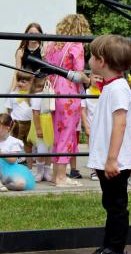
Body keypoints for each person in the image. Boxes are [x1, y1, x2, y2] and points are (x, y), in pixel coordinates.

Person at [76, 35, 131, 254]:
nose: (89, 60)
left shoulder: (119, 89)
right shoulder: (111, 87)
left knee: (116, 206)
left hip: (114, 162)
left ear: (101, 61)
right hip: (106, 160)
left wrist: (112, 159)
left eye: (91, 56)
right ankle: (107, 247)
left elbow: (120, 123)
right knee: (110, 203)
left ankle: (116, 252)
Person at [44, 14, 92, 187]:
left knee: (58, 135)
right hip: (68, 92)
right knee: (67, 134)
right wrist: (89, 80)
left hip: (53, 91)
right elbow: (79, 73)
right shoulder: (76, 45)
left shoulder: (52, 45)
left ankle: (56, 175)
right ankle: (61, 177)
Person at [27, 74, 55, 182]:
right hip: (41, 123)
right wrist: (38, 129)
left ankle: (47, 172)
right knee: (42, 150)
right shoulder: (37, 96)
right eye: (41, 86)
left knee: (49, 150)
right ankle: (39, 172)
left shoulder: (49, 93)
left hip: (50, 123)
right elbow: (35, 113)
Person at [4, 71, 34, 167]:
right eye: (18, 81)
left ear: (30, 82)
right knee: (14, 146)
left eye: (23, 81)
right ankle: (14, 167)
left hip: (29, 124)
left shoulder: (32, 95)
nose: (20, 83)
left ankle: (29, 168)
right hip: (17, 124)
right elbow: (9, 110)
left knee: (29, 147)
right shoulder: (13, 94)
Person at [0, 113, 35, 191]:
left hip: (9, 171)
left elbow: (12, 159)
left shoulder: (14, 142)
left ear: (7, 128)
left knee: (21, 184)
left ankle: (5, 185)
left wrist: (1, 152)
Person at [81, 72, 103, 180]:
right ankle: (94, 171)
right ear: (90, 77)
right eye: (96, 77)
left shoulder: (104, 92)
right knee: (93, 149)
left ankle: (101, 169)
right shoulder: (86, 92)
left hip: (103, 125)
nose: (98, 80)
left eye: (100, 78)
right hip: (92, 126)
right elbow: (83, 111)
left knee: (103, 148)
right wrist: (86, 126)